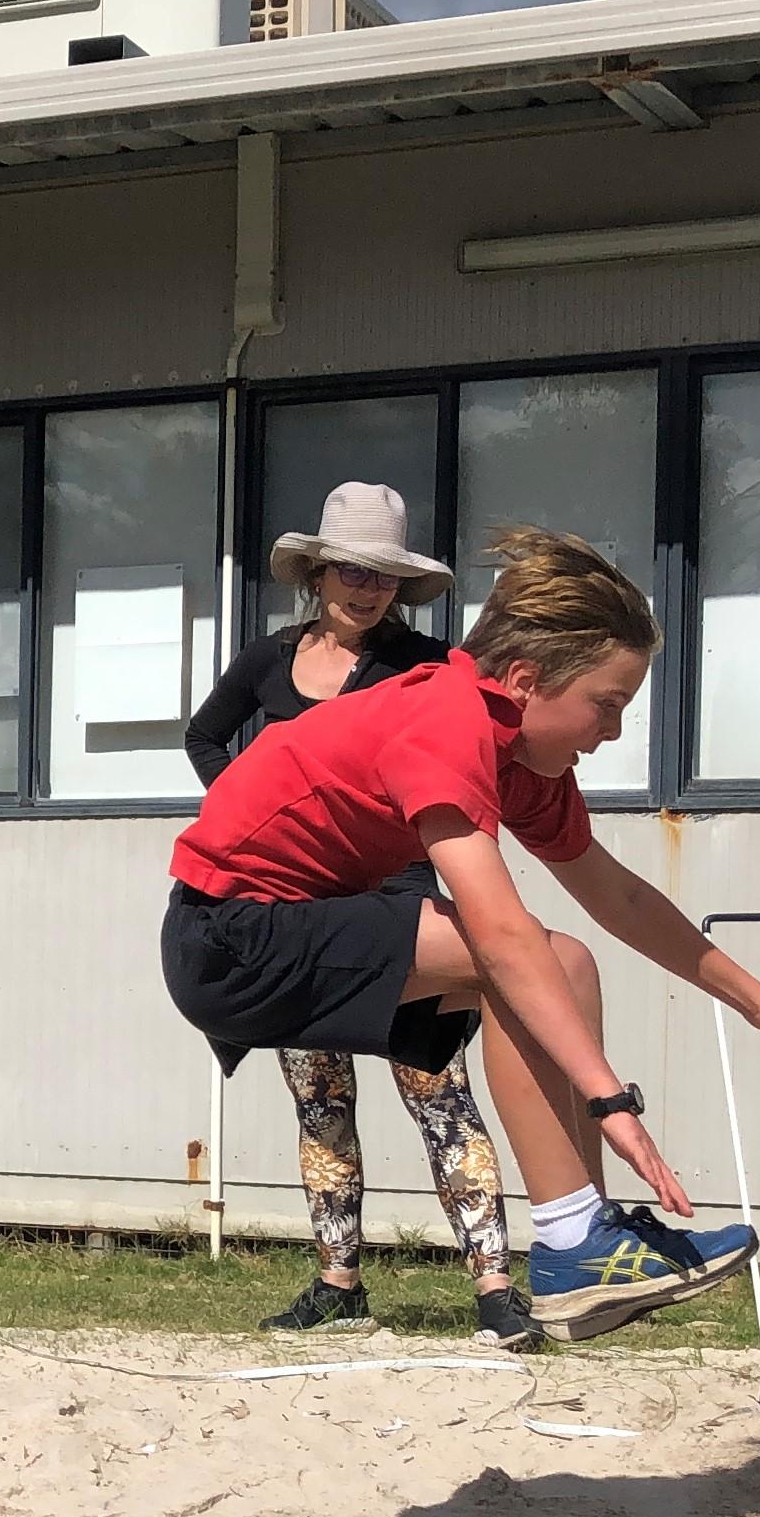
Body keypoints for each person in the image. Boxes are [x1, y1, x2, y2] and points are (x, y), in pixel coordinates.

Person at [163, 524, 760, 1344]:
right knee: (524, 955)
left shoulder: (522, 760)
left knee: (569, 959)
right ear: (523, 681)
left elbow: (620, 899)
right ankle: (570, 1241)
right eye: (608, 705)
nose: (614, 733)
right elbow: (496, 931)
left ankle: (580, 1240)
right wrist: (610, 1099)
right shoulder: (444, 718)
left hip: (292, 930)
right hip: (227, 938)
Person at [186, 480, 533, 1347]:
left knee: (438, 1090)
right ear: (317, 571)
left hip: (401, 899)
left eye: (381, 572)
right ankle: (338, 1282)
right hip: (298, 911)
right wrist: (253, 817)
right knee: (320, 1099)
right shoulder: (265, 661)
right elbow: (204, 735)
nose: (364, 585)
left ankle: (495, 1287)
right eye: (348, 567)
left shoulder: (424, 667)